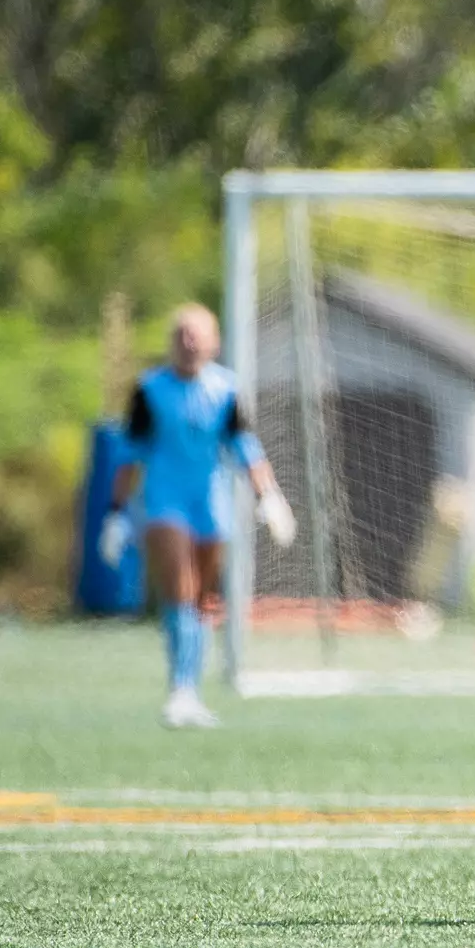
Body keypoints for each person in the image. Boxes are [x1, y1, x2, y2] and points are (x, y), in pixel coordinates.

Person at [99, 303, 296, 728]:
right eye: (182, 335)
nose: (190, 343)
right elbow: (130, 456)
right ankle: (180, 689)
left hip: (211, 503)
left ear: (214, 342)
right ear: (173, 342)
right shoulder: (149, 391)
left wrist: (270, 498)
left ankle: (190, 691)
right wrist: (115, 515)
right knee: (181, 589)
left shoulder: (226, 390)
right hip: (164, 502)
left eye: (198, 335)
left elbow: (245, 447)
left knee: (202, 600)